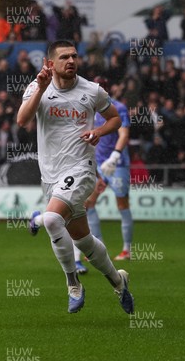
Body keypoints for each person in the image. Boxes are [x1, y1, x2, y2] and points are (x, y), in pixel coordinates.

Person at [17, 40, 134, 315]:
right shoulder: (37, 88)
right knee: (84, 241)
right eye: (64, 57)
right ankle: (119, 281)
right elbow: (22, 120)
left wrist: (99, 132)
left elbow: (114, 119)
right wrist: (42, 89)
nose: (71, 61)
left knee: (51, 218)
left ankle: (73, 283)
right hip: (50, 175)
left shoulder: (92, 90)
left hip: (81, 169)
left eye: (74, 56)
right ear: (50, 64)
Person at [73, 77, 134, 274]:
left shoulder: (118, 108)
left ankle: (127, 249)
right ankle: (97, 247)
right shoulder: (89, 108)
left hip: (117, 165)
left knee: (122, 204)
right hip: (98, 164)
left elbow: (124, 134)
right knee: (87, 204)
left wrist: (115, 156)